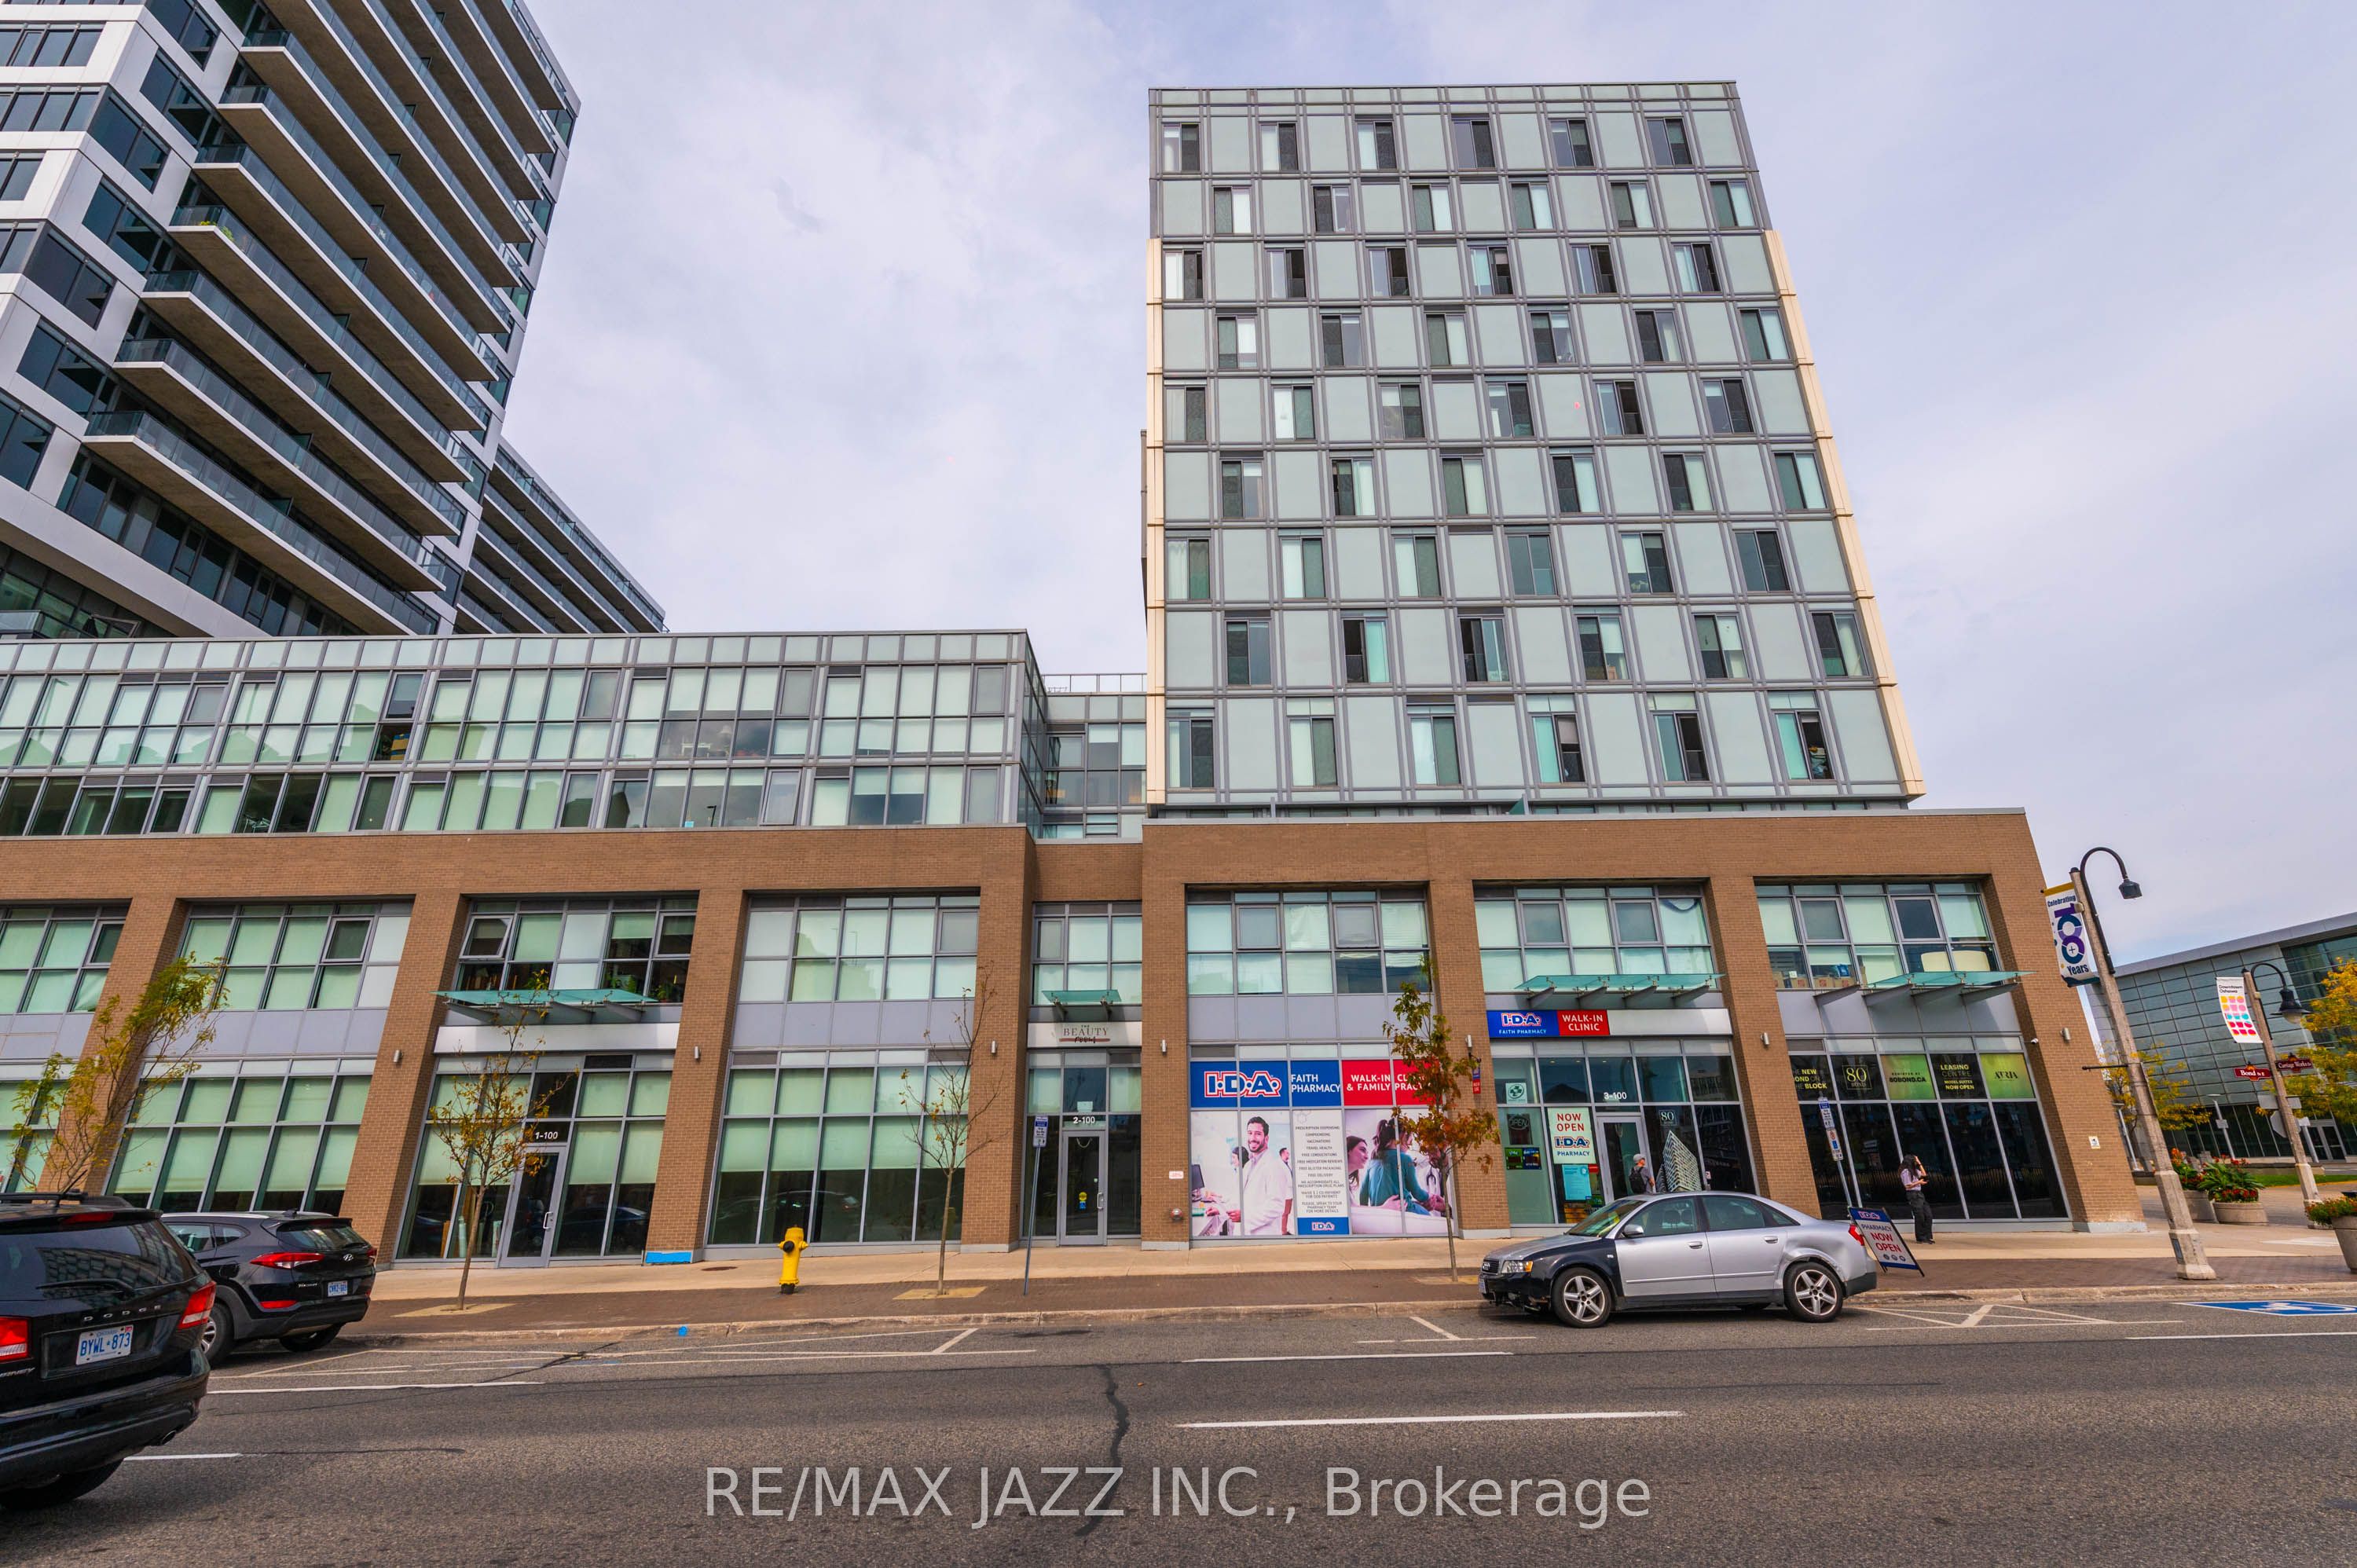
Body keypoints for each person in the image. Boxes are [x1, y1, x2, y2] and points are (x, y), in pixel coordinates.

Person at [1236, 1116, 1292, 1236]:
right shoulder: (1248, 1166)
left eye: (1258, 1134)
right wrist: (1221, 1211)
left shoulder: (1274, 1166)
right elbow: (1242, 1198)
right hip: (1246, 1234)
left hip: (1263, 1234)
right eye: (1250, 1133)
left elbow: (1276, 1206)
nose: (1252, 1138)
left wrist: (1245, 1217)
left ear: (1266, 1139)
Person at [1901, 1154, 1934, 1244]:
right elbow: (1907, 1186)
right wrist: (1919, 1182)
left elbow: (1924, 1174)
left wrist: (1920, 1163)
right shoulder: (1905, 1172)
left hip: (1919, 1194)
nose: (1916, 1163)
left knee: (1928, 1215)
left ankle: (1927, 1236)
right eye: (1915, 1161)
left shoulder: (1915, 1171)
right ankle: (1921, 1237)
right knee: (1920, 1216)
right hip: (1913, 1194)